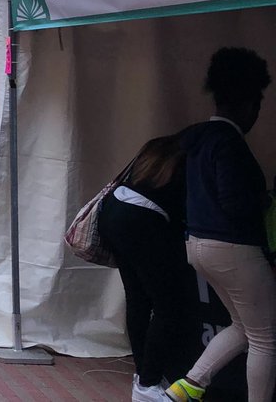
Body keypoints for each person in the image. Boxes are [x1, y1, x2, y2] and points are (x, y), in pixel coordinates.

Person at [167, 48, 275, 402]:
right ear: (248, 103)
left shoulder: (197, 138)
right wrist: (263, 202)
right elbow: (235, 201)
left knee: (244, 328)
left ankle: (187, 389)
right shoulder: (229, 143)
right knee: (266, 338)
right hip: (235, 249)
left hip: (198, 245)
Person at [97, 135, 193, 402]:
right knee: (167, 305)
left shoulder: (158, 148)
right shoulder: (186, 158)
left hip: (114, 213)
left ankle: (144, 377)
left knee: (138, 300)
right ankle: (148, 382)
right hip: (141, 220)